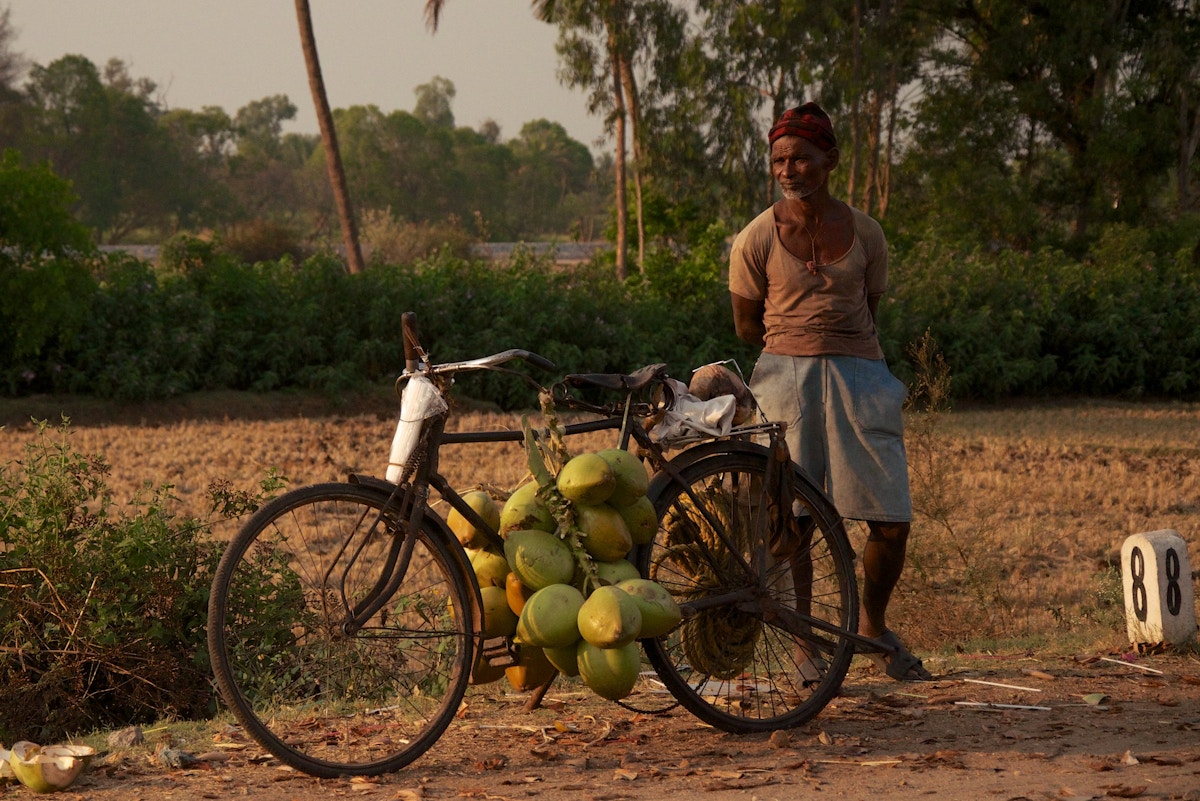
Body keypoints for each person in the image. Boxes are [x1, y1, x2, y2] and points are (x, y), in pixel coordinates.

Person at [728, 101, 932, 682]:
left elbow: (868, 310)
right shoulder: (755, 238)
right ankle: (805, 645)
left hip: (861, 378)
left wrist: (839, 351)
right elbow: (747, 326)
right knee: (794, 520)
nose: (789, 170)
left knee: (891, 521)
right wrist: (796, 347)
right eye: (779, 160)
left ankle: (872, 624)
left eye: (801, 159)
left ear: (830, 160)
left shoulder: (866, 232)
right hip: (784, 379)